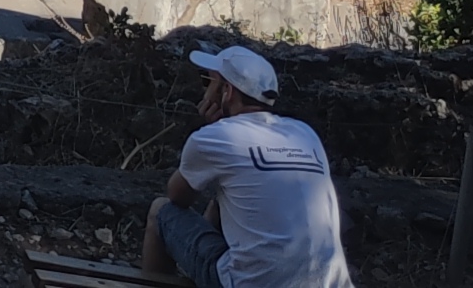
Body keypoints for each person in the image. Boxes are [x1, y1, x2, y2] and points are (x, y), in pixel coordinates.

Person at [144, 46, 353, 288]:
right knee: (227, 200)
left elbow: (177, 197)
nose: (205, 90)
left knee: (160, 211)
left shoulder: (215, 137)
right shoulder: (305, 133)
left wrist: (209, 129)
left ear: (227, 91)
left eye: (208, 82)